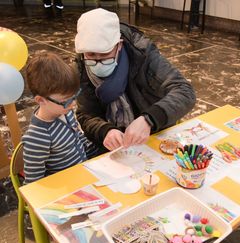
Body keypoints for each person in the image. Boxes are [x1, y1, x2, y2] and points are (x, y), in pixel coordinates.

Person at [74, 8, 196, 151]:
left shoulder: (142, 54)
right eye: (91, 55)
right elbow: (86, 114)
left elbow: (184, 91)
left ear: (119, 45)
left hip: (155, 132)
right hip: (117, 145)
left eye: (105, 54)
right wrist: (105, 130)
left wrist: (149, 119)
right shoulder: (81, 68)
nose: (98, 62)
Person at [22, 52, 98, 183]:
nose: (73, 104)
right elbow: (34, 183)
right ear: (40, 100)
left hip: (83, 175)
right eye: (66, 100)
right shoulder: (37, 137)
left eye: (74, 96)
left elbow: (78, 139)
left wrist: (102, 154)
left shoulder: (64, 111)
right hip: (65, 189)